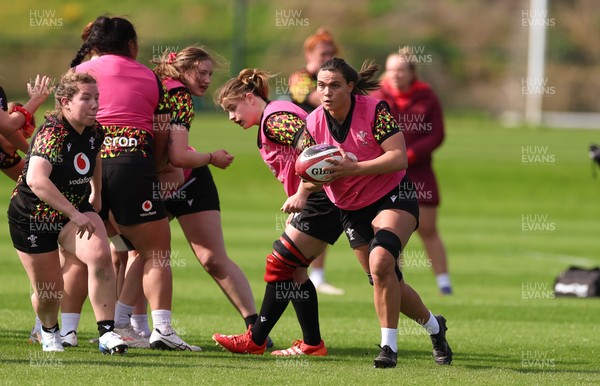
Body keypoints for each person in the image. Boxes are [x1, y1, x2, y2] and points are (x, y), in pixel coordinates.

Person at [302, 57, 452, 367]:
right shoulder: (313, 122)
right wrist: (307, 187)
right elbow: (309, 174)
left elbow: (399, 158)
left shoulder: (374, 111)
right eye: (320, 86)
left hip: (393, 195)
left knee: (382, 260)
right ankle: (435, 327)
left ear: (351, 87)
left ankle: (388, 348)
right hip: (350, 208)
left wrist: (353, 167)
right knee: (385, 278)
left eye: (334, 85)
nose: (326, 92)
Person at [70, 15, 199, 351]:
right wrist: (156, 169)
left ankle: (60, 331)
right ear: (132, 45)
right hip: (130, 163)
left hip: (82, 165)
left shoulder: (77, 75)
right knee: (156, 250)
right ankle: (162, 330)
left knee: (77, 255)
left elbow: (61, 127)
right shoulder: (149, 76)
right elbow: (160, 132)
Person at [211, 68, 345, 356]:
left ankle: (255, 339)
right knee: (295, 271)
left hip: (321, 198)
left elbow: (314, 151)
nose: (232, 117)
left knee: (279, 263)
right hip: (322, 196)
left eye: (233, 109)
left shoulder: (274, 120)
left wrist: (302, 193)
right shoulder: (273, 116)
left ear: (249, 97)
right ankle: (312, 344)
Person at [147, 46, 271, 339]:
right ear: (182, 68)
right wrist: (212, 157)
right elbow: (174, 156)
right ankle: (129, 327)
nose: (206, 80)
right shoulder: (167, 90)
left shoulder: (177, 94)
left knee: (213, 259)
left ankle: (256, 329)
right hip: (159, 180)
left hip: (190, 179)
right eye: (201, 73)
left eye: (209, 74)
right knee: (135, 254)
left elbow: (178, 157)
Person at [7, 71, 127, 355]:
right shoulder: (52, 134)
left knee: (100, 256)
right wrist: (75, 213)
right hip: (33, 217)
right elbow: (36, 180)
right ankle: (48, 330)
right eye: (86, 98)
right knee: (50, 291)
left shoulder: (95, 130)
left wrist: (96, 192)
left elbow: (94, 157)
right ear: (65, 102)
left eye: (97, 98)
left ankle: (107, 334)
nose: (95, 104)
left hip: (73, 208)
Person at [371, 49, 452, 295]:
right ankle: (395, 281)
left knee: (428, 229)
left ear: (411, 73)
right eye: (391, 69)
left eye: (401, 70)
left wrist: (410, 154)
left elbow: (437, 134)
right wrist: (389, 158)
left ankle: (444, 284)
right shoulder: (377, 96)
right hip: (387, 173)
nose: (395, 75)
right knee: (391, 232)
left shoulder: (426, 96)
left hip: (419, 172)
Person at [288, 28, 343, 295]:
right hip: (304, 155)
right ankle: (298, 269)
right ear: (309, 53)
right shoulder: (299, 78)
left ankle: (315, 275)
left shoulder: (334, 80)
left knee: (322, 211)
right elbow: (316, 100)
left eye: (331, 53)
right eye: (323, 53)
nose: (327, 57)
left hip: (327, 151)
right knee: (305, 210)